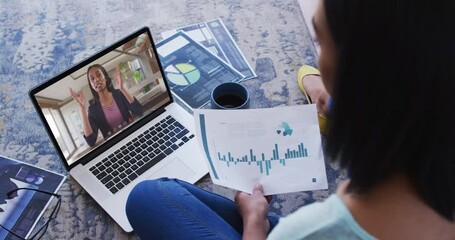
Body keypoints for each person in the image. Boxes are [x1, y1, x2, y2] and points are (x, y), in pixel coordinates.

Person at [125, 0, 455, 239]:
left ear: (358, 78)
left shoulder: (310, 230)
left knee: (147, 199)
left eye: (320, 42)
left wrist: (255, 224)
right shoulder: (424, 116)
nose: (317, 56)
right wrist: (323, 89)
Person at [70, 64, 143, 147]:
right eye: (92, 79)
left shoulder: (119, 94)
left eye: (99, 75)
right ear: (91, 85)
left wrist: (122, 89)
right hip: (114, 146)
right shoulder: (93, 110)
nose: (96, 80)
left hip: (132, 136)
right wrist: (82, 109)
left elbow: (139, 111)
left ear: (105, 77)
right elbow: (91, 141)